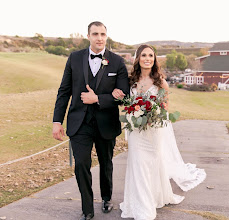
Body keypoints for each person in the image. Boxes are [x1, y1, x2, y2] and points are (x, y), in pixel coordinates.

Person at [112, 45, 206, 220]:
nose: (147, 58)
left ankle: (154, 197)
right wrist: (122, 99)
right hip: (136, 131)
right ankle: (143, 208)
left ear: (154, 59)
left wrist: (152, 115)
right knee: (138, 165)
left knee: (153, 165)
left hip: (154, 131)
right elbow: (127, 102)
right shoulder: (130, 80)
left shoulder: (160, 82)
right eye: (144, 55)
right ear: (137, 58)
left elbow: (165, 108)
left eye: (151, 56)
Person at [52, 21, 129, 220]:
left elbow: (124, 95)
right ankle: (87, 208)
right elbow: (64, 91)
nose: (99, 38)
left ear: (107, 36)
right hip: (80, 122)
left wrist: (98, 99)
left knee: (106, 163)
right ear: (88, 36)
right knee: (81, 164)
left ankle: (106, 198)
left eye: (103, 34)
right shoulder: (74, 58)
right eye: (95, 34)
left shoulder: (118, 62)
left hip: (106, 122)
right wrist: (57, 121)